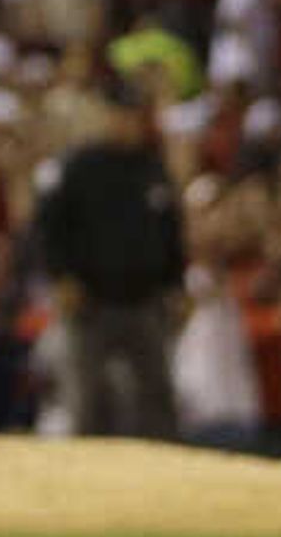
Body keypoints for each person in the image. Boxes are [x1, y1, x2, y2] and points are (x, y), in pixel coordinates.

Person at [32, 71, 186, 438]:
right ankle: (83, 480)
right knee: (86, 399)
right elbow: (48, 228)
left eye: (132, 114)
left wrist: (175, 282)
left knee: (157, 395)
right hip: (90, 301)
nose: (126, 122)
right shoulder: (78, 167)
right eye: (119, 113)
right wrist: (61, 277)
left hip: (144, 300)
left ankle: (165, 473)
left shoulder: (152, 168)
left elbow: (170, 231)